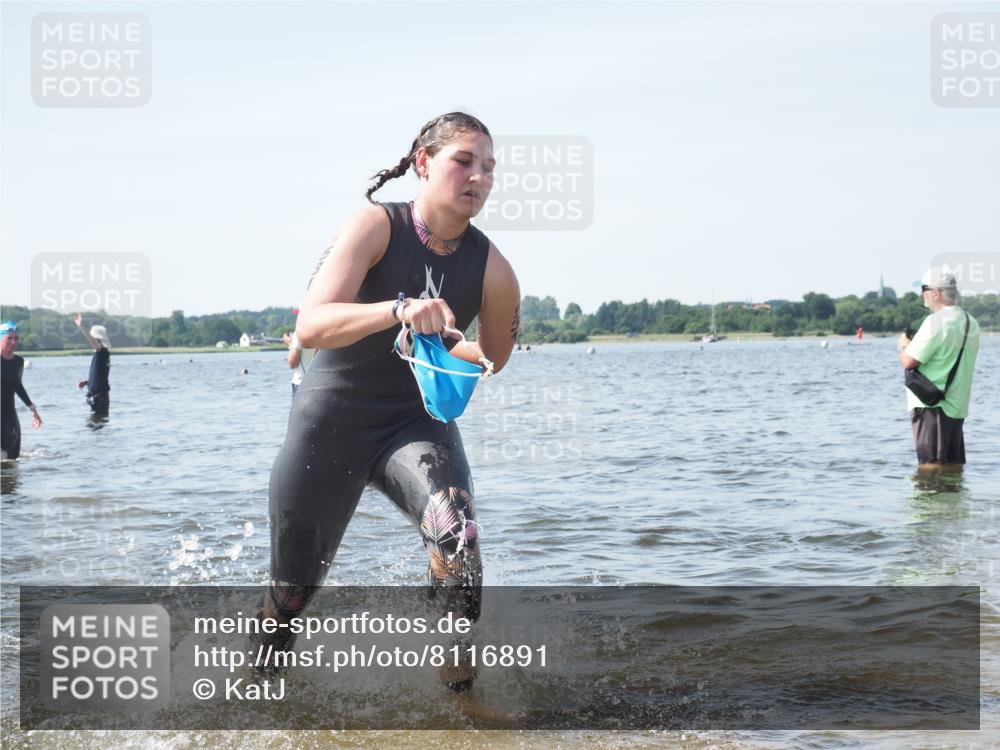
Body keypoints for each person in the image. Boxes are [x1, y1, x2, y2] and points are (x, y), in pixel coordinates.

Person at [254, 113, 520, 692]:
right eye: (464, 161)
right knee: (289, 599)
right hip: (329, 426)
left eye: (489, 168)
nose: (479, 177)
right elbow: (314, 325)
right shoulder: (375, 227)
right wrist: (400, 309)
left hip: (414, 427)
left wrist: (459, 344)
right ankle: (250, 694)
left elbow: (492, 355)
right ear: (423, 164)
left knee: (458, 534)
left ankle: (460, 702)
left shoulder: (494, 269)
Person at [898, 267, 980, 471]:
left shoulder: (936, 322)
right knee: (953, 470)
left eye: (924, 289)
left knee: (929, 470)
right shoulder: (971, 322)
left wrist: (904, 345)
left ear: (936, 292)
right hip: (957, 407)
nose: (922, 295)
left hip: (933, 407)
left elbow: (909, 361)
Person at [1, 322, 42, 459]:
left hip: (9, 413)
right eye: (9, 338)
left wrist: (33, 410)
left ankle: (10, 480)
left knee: (13, 454)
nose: (13, 342)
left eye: (16, 338)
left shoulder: (18, 361)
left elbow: (17, 386)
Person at [74, 314, 111, 416]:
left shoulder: (102, 351)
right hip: (99, 395)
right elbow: (100, 375)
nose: (91, 342)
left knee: (95, 426)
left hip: (99, 397)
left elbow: (93, 341)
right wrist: (87, 382)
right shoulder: (101, 354)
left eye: (93, 339)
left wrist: (81, 327)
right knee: (98, 424)